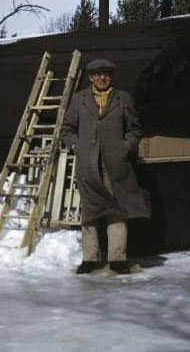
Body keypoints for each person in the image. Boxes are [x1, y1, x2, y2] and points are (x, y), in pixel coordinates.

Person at [62, 58, 150, 274]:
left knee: (117, 210)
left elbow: (134, 129)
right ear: (90, 77)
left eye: (106, 74)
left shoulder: (122, 99)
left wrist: (124, 148)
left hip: (116, 165)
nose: (102, 77)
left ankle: (117, 259)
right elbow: (67, 128)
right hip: (88, 165)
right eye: (97, 74)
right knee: (90, 213)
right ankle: (90, 259)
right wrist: (76, 146)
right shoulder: (79, 99)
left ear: (111, 76)